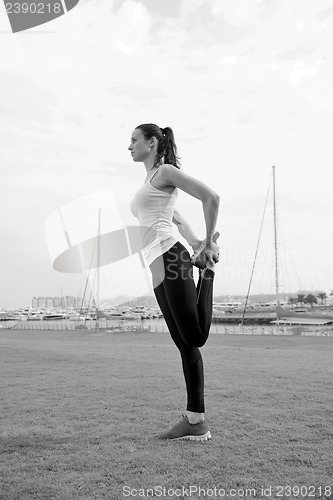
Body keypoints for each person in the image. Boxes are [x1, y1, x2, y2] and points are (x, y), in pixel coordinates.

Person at [129, 123, 220, 441]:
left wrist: (207, 244)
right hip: (158, 269)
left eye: (134, 140)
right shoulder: (149, 180)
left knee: (194, 336)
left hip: (171, 258)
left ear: (152, 142)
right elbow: (176, 216)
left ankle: (207, 273)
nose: (130, 146)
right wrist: (196, 239)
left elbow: (210, 197)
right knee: (184, 343)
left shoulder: (165, 171)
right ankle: (195, 422)